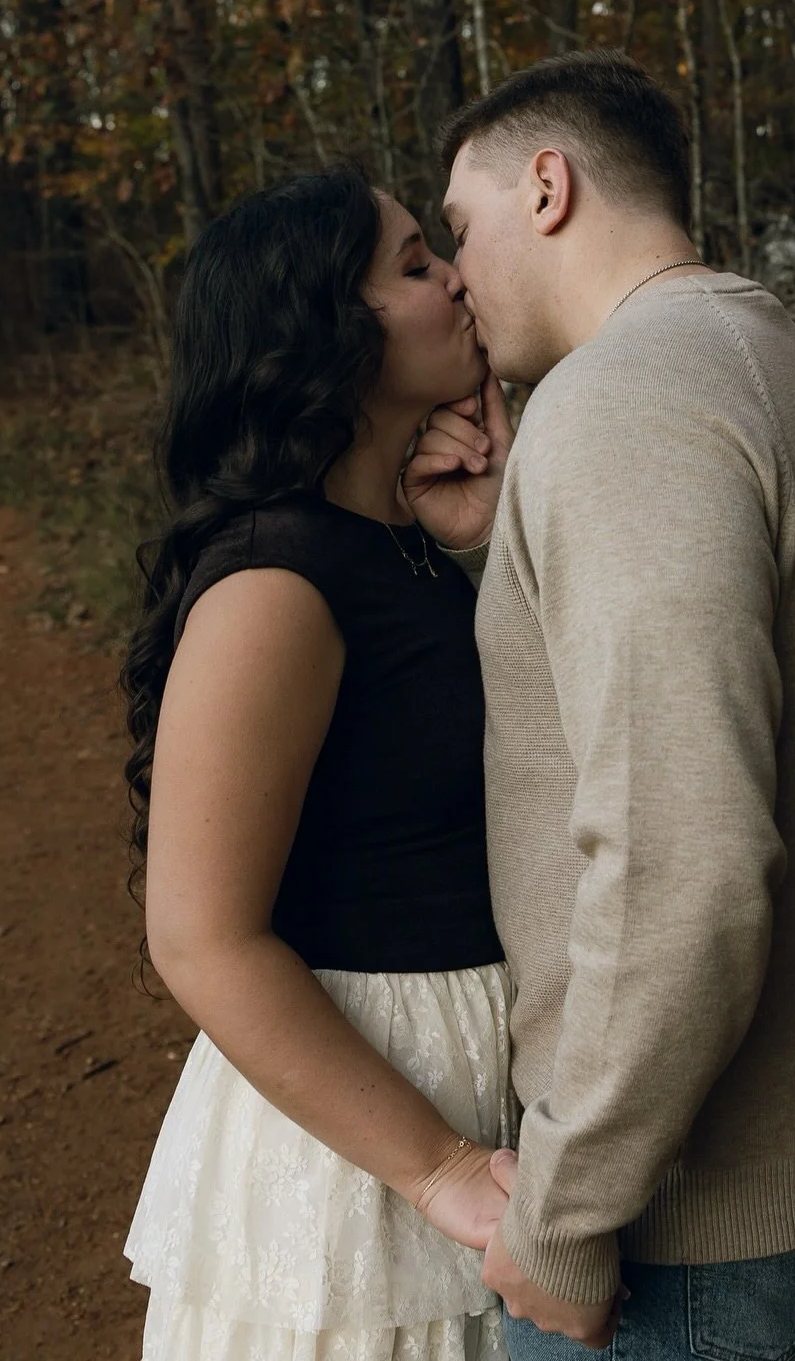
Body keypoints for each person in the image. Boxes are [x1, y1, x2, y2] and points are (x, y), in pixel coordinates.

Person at [404, 50, 795, 1361]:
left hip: (683, 1208)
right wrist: (506, 545)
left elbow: (688, 862)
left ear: (548, 186)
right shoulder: (768, 358)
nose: (454, 278)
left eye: (456, 229)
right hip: (783, 1143)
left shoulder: (626, 406)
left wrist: (568, 1217)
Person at [122, 168, 520, 1361]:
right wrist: (435, 1164)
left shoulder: (390, 549)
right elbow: (198, 935)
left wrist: (485, 537)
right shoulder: (273, 585)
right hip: (366, 1129)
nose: (455, 274)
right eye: (411, 264)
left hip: (463, 1073)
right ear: (323, 330)